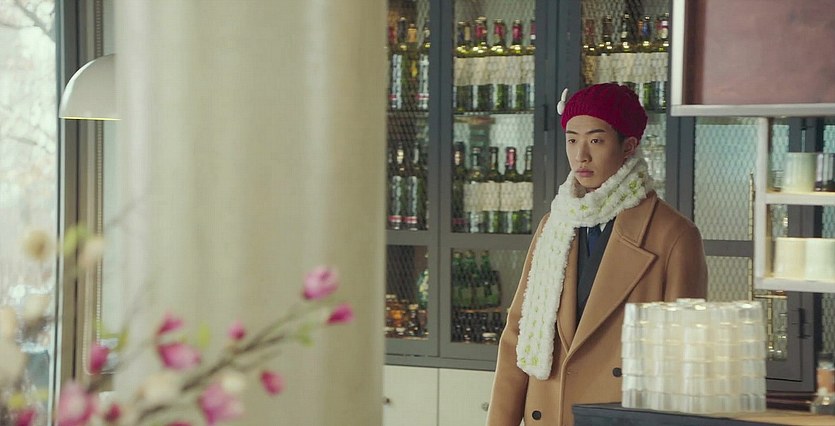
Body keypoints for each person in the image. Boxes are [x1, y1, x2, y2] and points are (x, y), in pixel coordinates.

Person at [486, 83, 708, 426]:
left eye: (596, 140)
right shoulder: (555, 224)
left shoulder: (673, 236)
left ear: (628, 146)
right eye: (572, 139)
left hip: (620, 417)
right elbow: (517, 334)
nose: (581, 155)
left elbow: (682, 360)